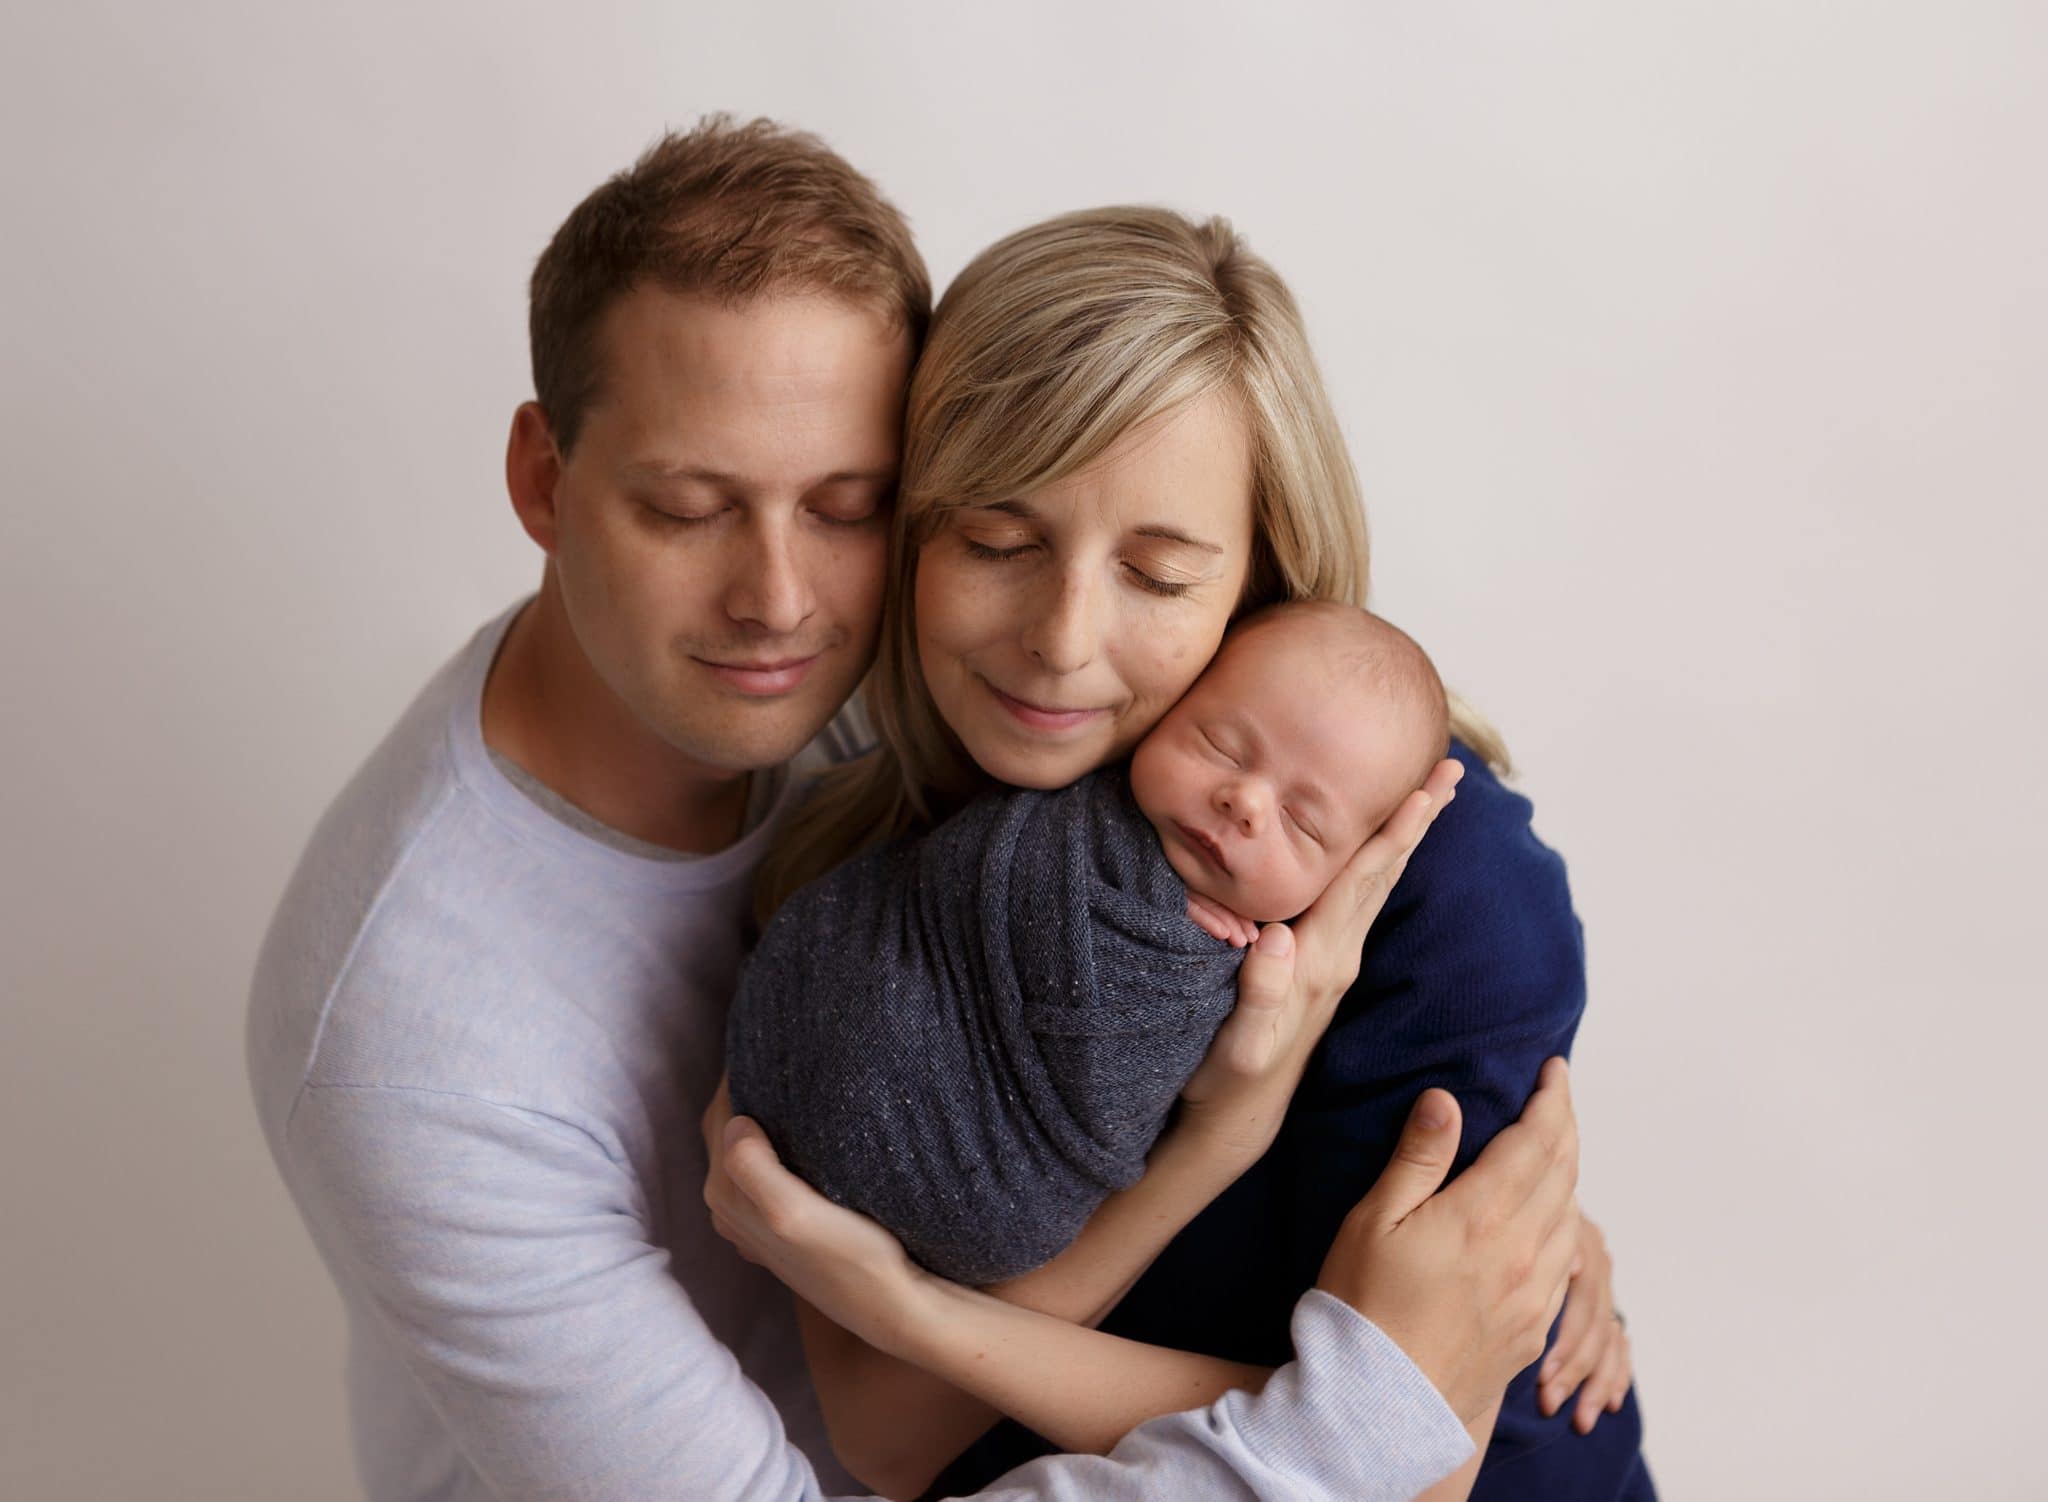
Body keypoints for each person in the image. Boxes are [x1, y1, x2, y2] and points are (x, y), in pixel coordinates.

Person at [247, 117, 1587, 1502]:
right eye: (690, 507)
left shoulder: (1069, 754)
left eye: (845, 505)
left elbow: (1449, 1430)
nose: (779, 600)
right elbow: (897, 1433)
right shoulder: (417, 1042)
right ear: (544, 480)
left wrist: (1506, 1222)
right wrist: (1313, 1295)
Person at [725, 205, 1650, 1501]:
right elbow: (886, 1434)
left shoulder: (1439, 884)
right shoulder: (868, 844)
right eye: (995, 540)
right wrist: (1212, 1140)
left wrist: (919, 1313)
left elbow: (1420, 1455)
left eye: (1157, 575)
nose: (1061, 638)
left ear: (1261, 579)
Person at [725, 603, 1450, 1286]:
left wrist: (1188, 956)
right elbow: (970, 873)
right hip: (814, 1006)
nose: (1247, 803)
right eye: (1221, 746)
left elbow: (1119, 1081)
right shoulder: (1068, 778)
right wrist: (1148, 887)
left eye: (1302, 823)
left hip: (983, 1189)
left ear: (1345, 879)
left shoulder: (1256, 971)